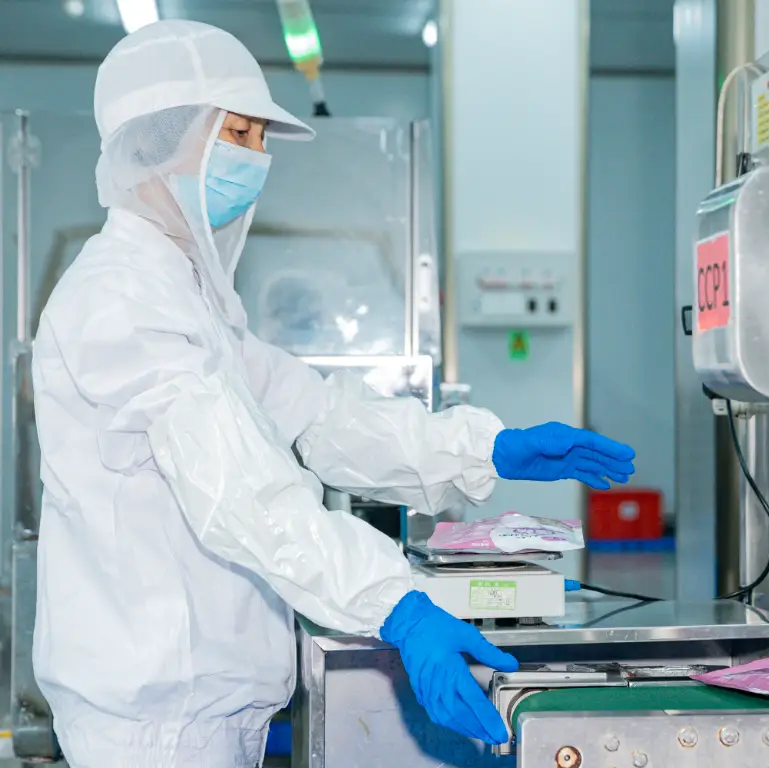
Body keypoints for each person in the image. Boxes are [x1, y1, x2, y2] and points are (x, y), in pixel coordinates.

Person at [31, 20, 636, 767]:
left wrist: (486, 447)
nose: (256, 161)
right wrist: (397, 604)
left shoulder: (186, 298)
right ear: (162, 140)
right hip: (156, 724)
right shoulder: (120, 302)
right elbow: (243, 493)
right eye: (240, 135)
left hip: (202, 708)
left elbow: (322, 420)